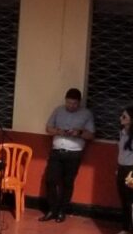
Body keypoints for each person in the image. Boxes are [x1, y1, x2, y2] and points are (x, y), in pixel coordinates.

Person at [40, 89, 94, 222]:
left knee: (68, 182)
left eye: (74, 104)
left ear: (79, 102)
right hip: (57, 151)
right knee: (50, 180)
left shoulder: (86, 114)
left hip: (74, 153)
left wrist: (79, 133)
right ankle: (52, 209)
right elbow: (48, 128)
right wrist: (58, 131)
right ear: (65, 100)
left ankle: (62, 211)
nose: (71, 106)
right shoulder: (58, 110)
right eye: (68, 103)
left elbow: (91, 134)